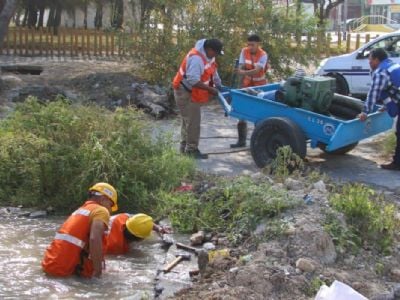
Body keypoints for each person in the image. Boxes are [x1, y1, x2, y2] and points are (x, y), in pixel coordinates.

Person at [42, 183, 118, 278]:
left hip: (50, 263)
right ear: (103, 199)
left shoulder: (80, 210)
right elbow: (94, 239)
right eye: (110, 205)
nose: (110, 210)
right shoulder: (101, 211)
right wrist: (98, 271)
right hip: (63, 272)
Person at [172, 38, 224, 159]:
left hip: (190, 90)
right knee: (193, 121)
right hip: (183, 91)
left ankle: (184, 146)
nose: (216, 55)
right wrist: (211, 89)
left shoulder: (209, 56)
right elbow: (193, 80)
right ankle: (191, 150)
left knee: (188, 120)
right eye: (216, 52)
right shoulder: (197, 59)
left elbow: (213, 71)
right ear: (209, 49)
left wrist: (219, 85)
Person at [358, 47, 400, 170]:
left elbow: (373, 94)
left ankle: (397, 164)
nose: (369, 63)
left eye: (370, 60)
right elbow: (393, 89)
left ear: (377, 59)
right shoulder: (392, 65)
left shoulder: (381, 72)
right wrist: (386, 106)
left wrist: (365, 112)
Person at [231, 34, 269, 148]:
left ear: (258, 44)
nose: (250, 47)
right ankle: (241, 141)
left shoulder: (263, 55)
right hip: (246, 85)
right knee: (241, 112)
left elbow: (257, 71)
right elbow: (242, 65)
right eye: (248, 44)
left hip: (260, 87)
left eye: (252, 45)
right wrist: (241, 71)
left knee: (260, 114)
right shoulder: (244, 51)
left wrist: (242, 72)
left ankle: (260, 143)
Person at [106, 213, 171, 255]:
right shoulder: (116, 247)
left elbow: (142, 222)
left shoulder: (124, 217)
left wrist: (159, 229)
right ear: (141, 239)